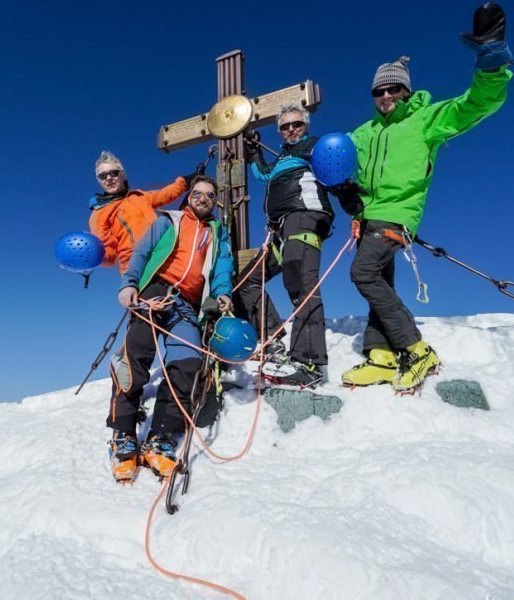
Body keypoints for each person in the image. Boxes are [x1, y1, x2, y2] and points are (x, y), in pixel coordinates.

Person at [341, 2, 514, 392]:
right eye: (378, 90)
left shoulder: (426, 119)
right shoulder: (363, 133)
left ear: (407, 90)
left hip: (398, 214)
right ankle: (381, 356)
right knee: (379, 281)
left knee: (363, 273)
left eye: (393, 88)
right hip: (368, 217)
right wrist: (340, 185)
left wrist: (490, 61)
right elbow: (331, 158)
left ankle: (417, 349)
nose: (385, 95)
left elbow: (476, 104)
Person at [107, 175, 233, 482]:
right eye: (198, 193)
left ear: (214, 201)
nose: (202, 198)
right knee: (135, 357)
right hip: (155, 292)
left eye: (209, 195)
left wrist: (223, 292)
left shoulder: (217, 232)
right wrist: (130, 284)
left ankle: (161, 436)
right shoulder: (169, 221)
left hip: (187, 305)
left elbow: (222, 266)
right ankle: (123, 433)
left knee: (188, 363)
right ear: (189, 197)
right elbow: (142, 252)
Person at [235, 102, 335, 387]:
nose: (291, 129)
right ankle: (274, 340)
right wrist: (254, 149)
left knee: (302, 286)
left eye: (297, 124)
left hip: (303, 219)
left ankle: (310, 363)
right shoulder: (284, 157)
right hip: (281, 230)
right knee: (248, 281)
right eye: (285, 126)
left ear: (305, 127)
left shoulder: (313, 148)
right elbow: (264, 175)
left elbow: (334, 167)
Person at [88, 151, 202, 275]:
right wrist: (93, 254)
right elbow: (108, 255)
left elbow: (165, 194)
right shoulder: (99, 213)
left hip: (164, 256)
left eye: (113, 173)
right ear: (99, 181)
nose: (109, 178)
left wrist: (187, 180)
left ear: (122, 174)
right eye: (103, 176)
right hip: (136, 268)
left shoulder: (140, 196)